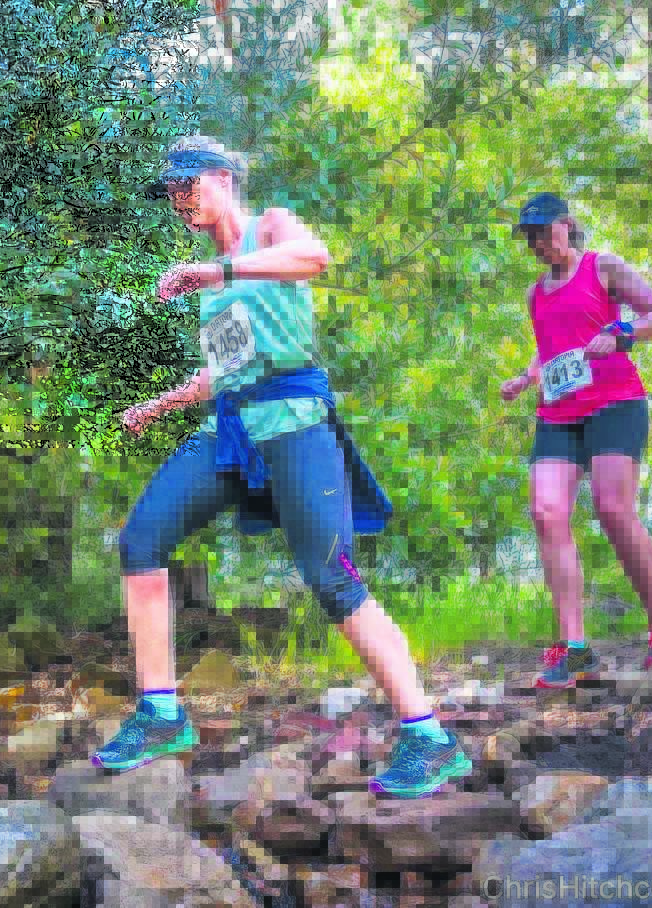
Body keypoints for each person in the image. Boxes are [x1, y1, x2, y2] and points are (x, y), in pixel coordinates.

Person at [90, 135, 472, 798]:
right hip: (231, 430)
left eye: (187, 184)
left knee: (331, 577)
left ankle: (429, 737)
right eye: (171, 192)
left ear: (222, 176)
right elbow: (226, 371)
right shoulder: (213, 284)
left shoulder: (269, 228)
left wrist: (222, 273)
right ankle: (159, 713)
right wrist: (160, 404)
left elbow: (314, 258)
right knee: (140, 541)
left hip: (295, 424)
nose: (179, 200)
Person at [499, 193, 652, 688]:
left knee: (613, 510)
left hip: (614, 403)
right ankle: (575, 648)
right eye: (530, 237)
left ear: (567, 225)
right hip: (559, 411)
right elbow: (550, 350)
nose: (538, 243)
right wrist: (525, 378)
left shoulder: (604, 267)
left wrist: (622, 334)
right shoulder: (536, 294)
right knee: (545, 511)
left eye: (544, 231)